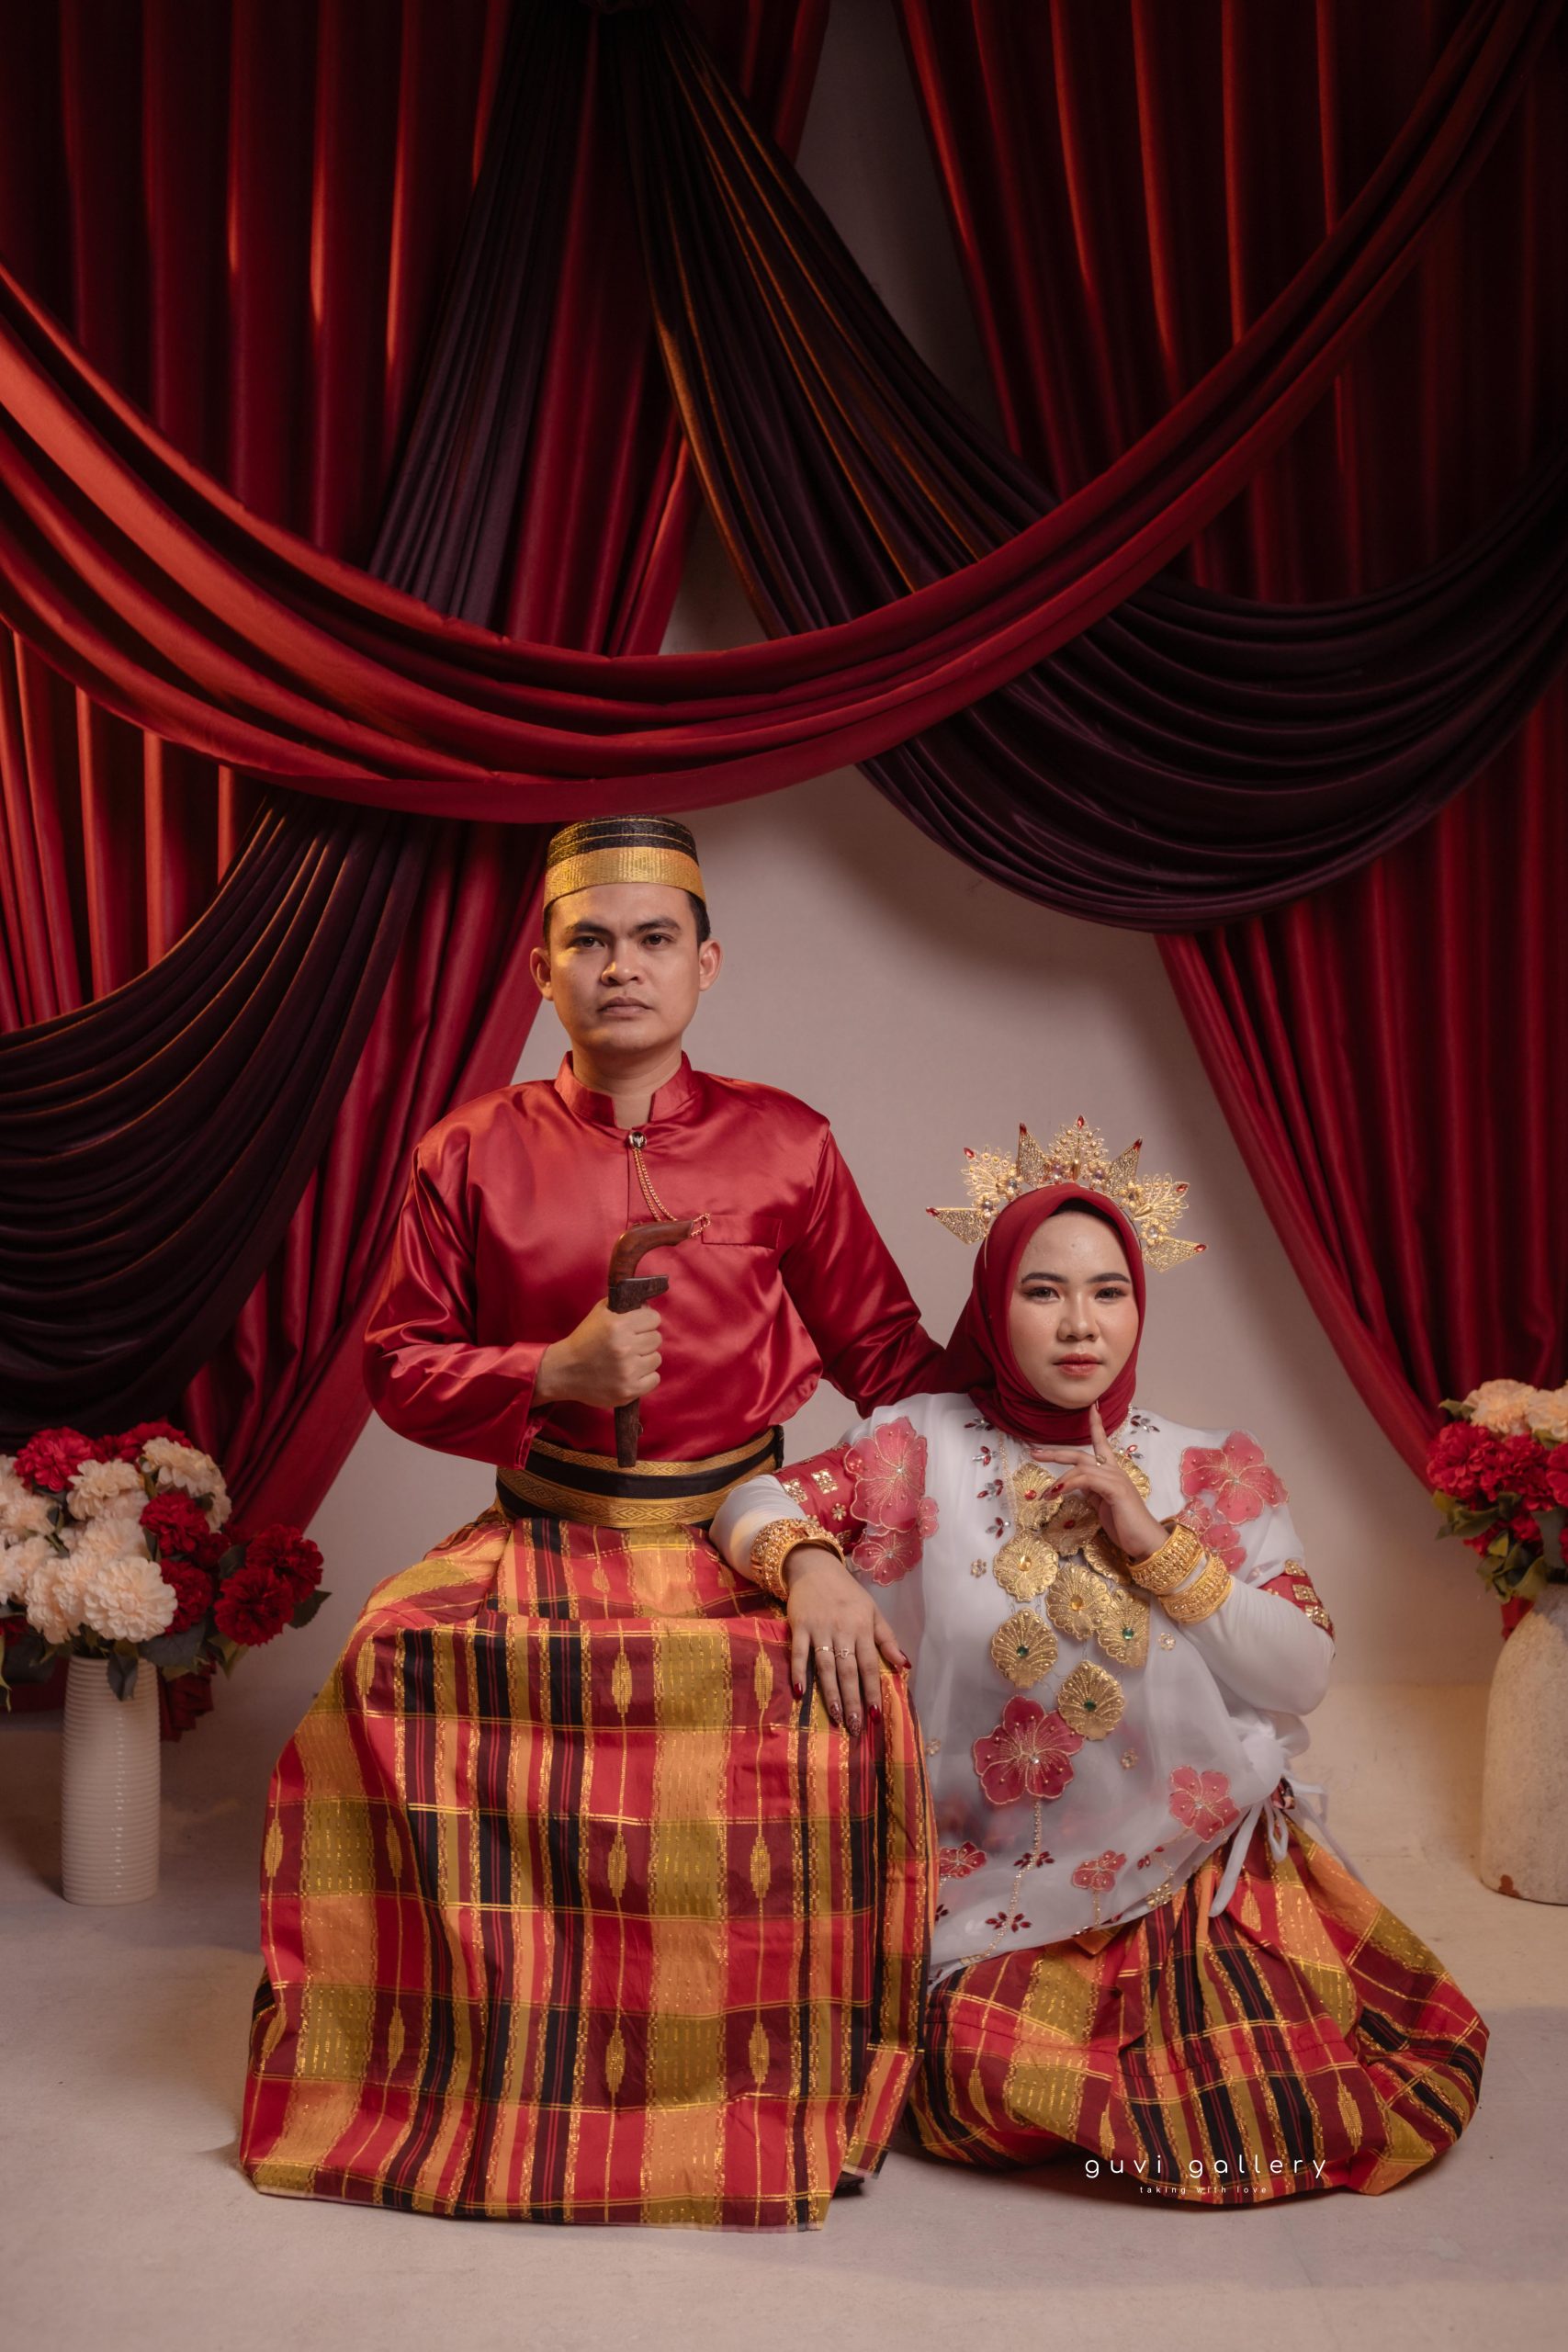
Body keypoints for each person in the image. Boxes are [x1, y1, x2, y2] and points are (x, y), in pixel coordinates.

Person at [240, 815, 946, 2227]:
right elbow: (397, 1366)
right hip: (546, 1532)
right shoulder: (467, 1150)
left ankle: (760, 2071)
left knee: (841, 1691)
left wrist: (1041, 1394)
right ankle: (454, 2052)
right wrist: (545, 1372)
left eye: (652, 939)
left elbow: (887, 1357)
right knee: (379, 1664)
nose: (621, 966)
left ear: (704, 965)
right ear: (541, 971)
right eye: (589, 941)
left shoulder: (786, 1143)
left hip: (738, 1534)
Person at [712, 1118, 1489, 2202]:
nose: (1081, 1323)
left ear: (1139, 1304)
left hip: (1195, 1868)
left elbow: (1301, 1674)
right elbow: (747, 1497)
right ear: (994, 1303)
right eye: (1043, 1291)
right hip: (985, 1886)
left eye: (1108, 1291)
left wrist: (1156, 1543)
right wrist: (807, 1562)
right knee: (979, 2075)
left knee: (1276, 2104)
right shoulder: (918, 1446)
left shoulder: (1205, 1469)